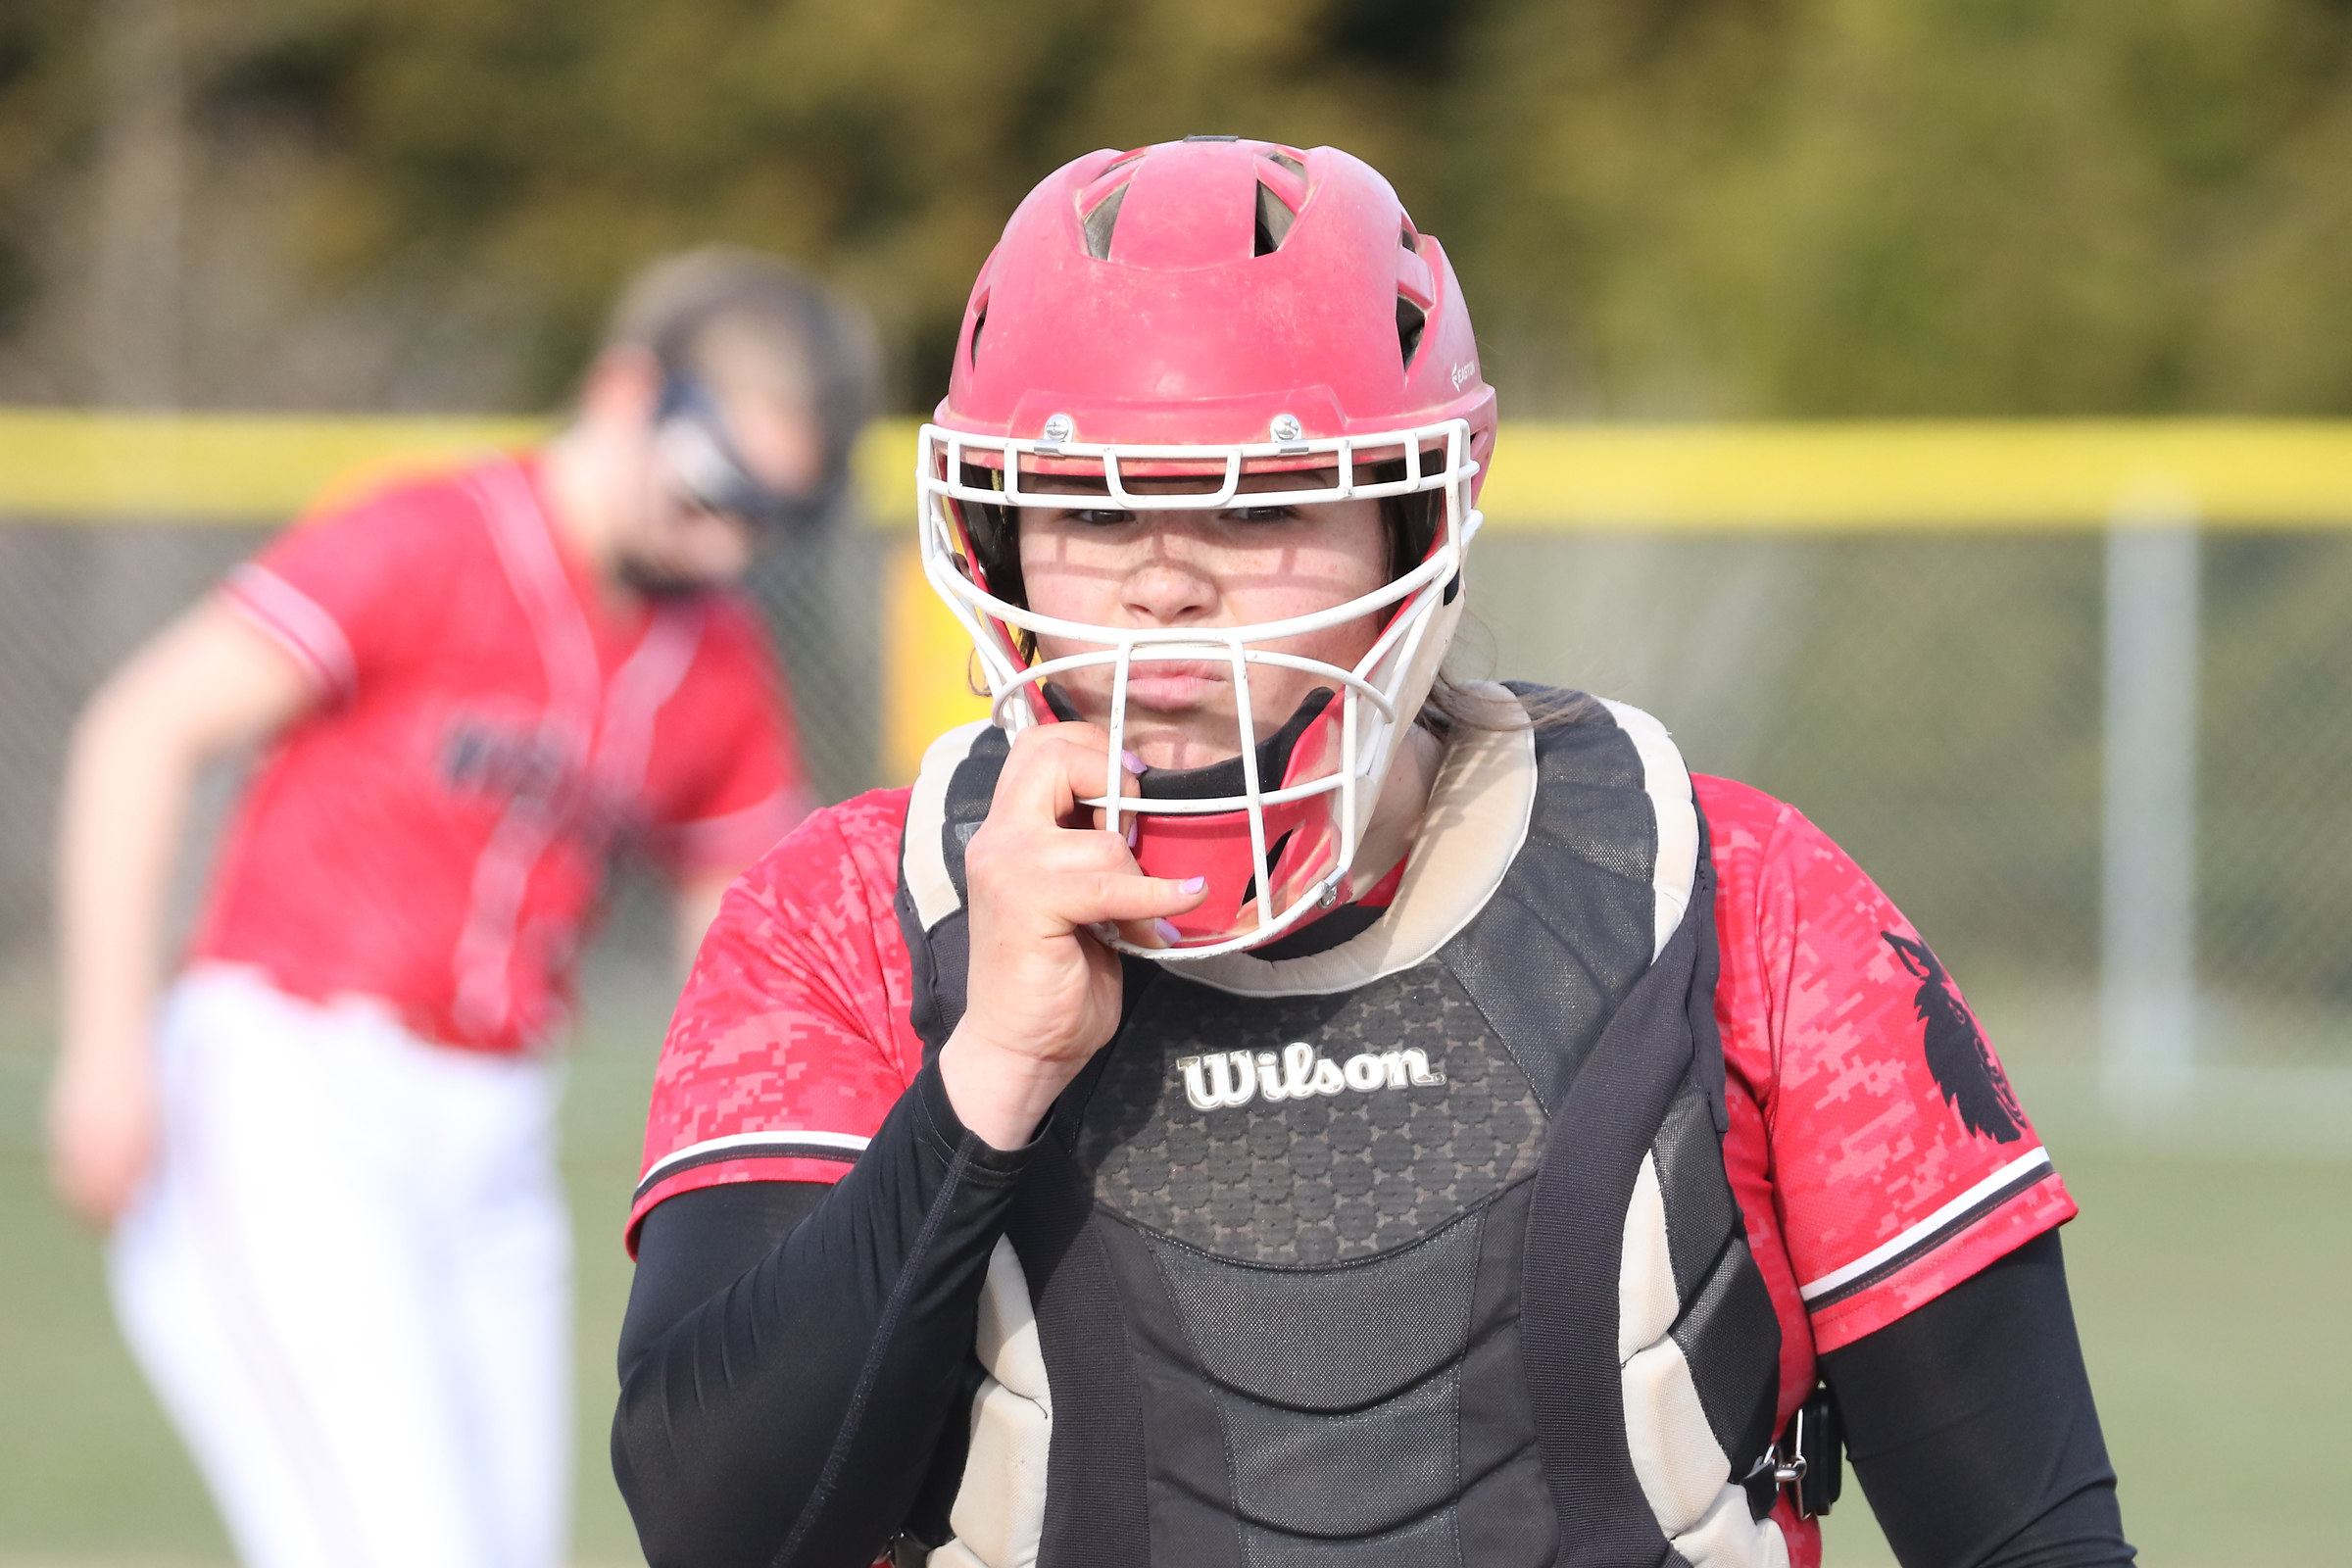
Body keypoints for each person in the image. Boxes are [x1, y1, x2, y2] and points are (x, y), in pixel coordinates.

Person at [612, 141, 2134, 1568]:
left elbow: (2029, 1535)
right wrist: (988, 1077)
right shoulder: (847, 918)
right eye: (1088, 506)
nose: (1163, 586)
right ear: (992, 532)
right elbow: (719, 1530)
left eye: (1261, 504)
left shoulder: (1734, 893)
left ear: (1418, 520)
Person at [46, 247, 878, 1568]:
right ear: (627, 394)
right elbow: (140, 729)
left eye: (770, 519)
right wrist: (106, 1051)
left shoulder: (714, 652)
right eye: (716, 492)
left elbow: (754, 925)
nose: (732, 541)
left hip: (497, 1137)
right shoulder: (433, 537)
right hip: (292, 1096)